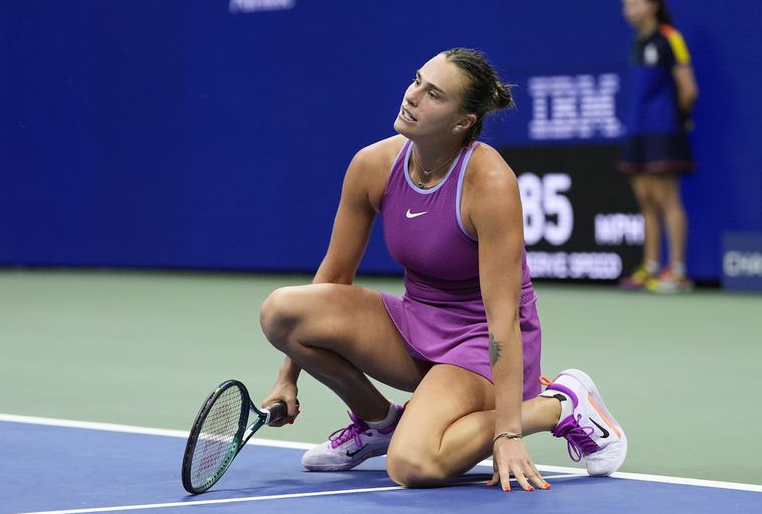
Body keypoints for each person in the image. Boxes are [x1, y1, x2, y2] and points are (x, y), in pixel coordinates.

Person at [259, 48, 627, 492]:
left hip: (481, 343)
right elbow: (333, 276)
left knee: (413, 466)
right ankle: (380, 423)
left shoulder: (489, 183)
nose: (412, 96)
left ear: (462, 122)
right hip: (417, 324)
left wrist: (507, 432)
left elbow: (503, 320)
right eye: (416, 80)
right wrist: (287, 378)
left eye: (433, 94)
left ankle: (558, 406)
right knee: (282, 311)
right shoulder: (373, 164)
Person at [619, 0, 698, 293]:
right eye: (626, 4)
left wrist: (674, 121)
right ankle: (651, 267)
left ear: (653, 5)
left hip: (663, 131)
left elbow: (688, 89)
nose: (630, 10)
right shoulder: (637, 42)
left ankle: (677, 271)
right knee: (647, 202)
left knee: (668, 201)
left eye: (636, 2)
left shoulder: (670, 38)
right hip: (637, 131)